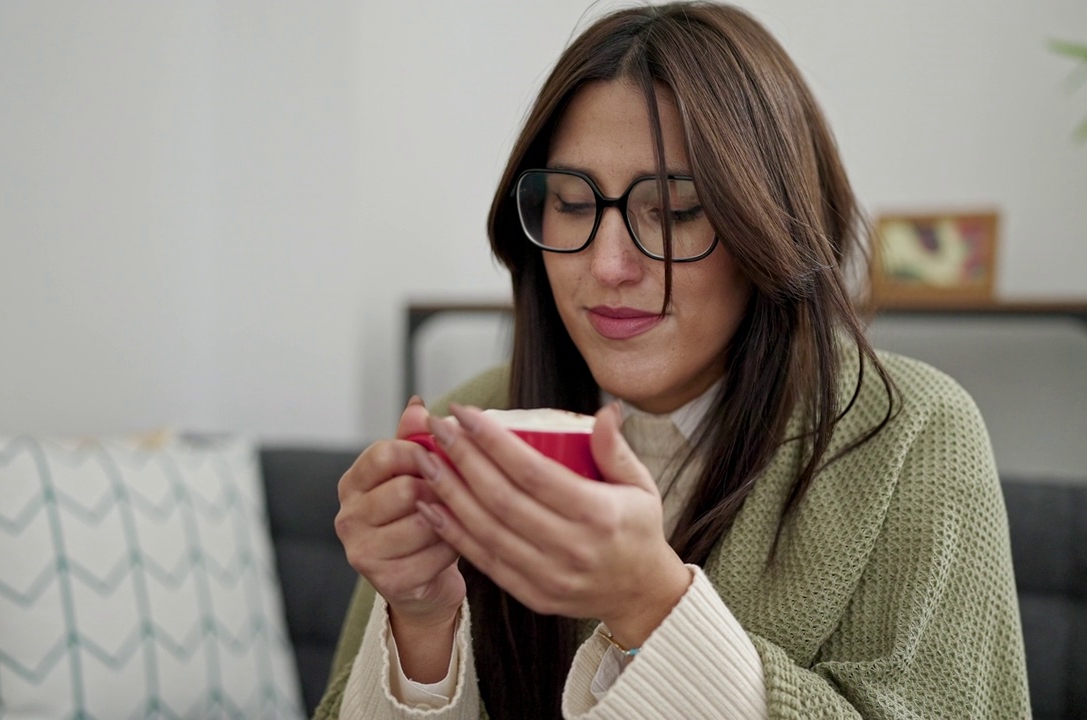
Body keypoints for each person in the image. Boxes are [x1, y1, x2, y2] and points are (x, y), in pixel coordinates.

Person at [315, 2, 1031, 718]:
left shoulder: (913, 437)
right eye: (571, 202)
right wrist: (419, 624)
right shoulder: (470, 423)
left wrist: (651, 606)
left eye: (677, 212)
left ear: (768, 225)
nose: (608, 264)